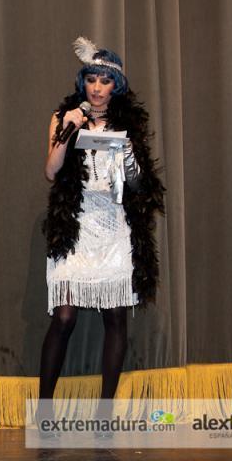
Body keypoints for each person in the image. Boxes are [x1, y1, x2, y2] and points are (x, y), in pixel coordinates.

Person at [39, 37, 165, 404]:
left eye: (104, 81)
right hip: (75, 225)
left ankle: (104, 412)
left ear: (116, 86)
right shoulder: (64, 117)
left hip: (114, 228)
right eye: (91, 79)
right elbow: (50, 171)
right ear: (83, 82)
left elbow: (141, 184)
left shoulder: (127, 124)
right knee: (63, 317)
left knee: (115, 320)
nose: (96, 87)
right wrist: (68, 129)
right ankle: (44, 408)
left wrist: (129, 155)